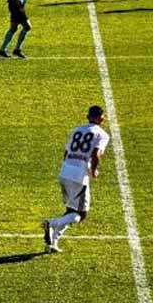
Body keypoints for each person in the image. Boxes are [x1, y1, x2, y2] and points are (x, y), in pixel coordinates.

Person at [42, 105, 110, 254]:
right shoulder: (102, 134)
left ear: (88, 116)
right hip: (79, 176)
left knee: (70, 211)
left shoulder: (76, 130)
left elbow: (66, 153)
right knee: (81, 214)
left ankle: (52, 243)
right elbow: (95, 154)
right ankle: (51, 223)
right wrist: (93, 171)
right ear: (101, 118)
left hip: (65, 171)